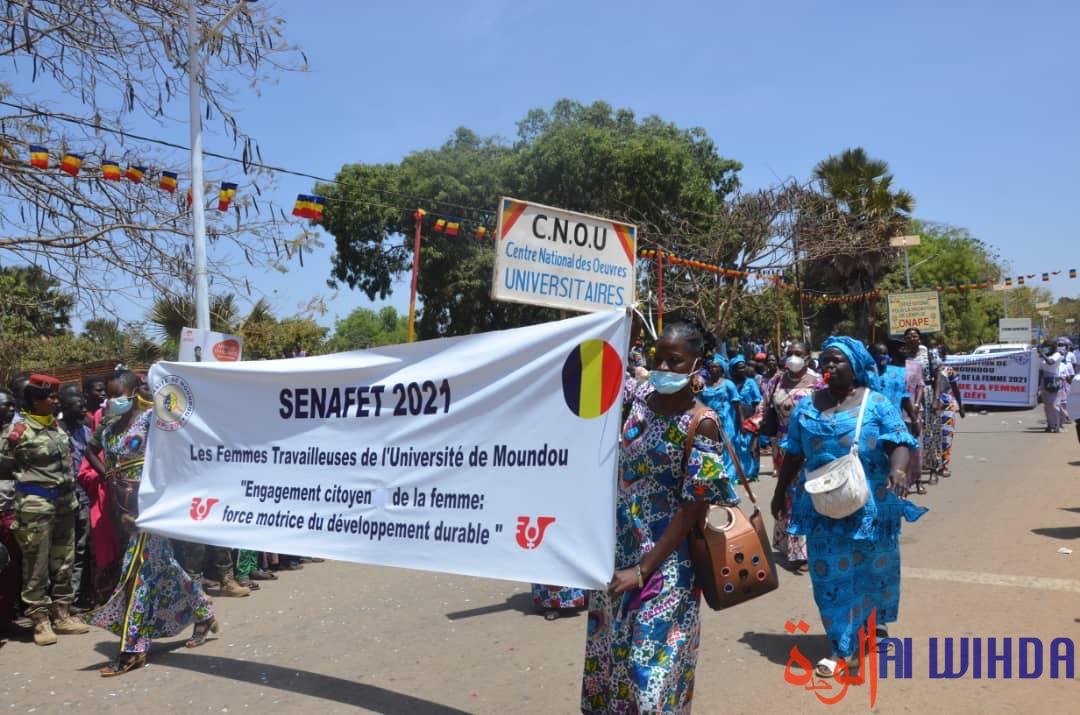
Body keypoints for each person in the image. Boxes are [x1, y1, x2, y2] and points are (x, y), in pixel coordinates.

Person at [582, 321, 738, 713]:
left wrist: (642, 570)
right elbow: (593, 377)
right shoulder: (638, 397)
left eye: (675, 360)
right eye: (659, 358)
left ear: (696, 364)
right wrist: (621, 330)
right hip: (617, 548)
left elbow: (693, 508)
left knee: (648, 675)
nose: (664, 367)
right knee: (612, 655)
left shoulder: (701, 424)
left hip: (668, 563)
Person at [771, 337, 926, 678]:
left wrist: (898, 469)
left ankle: (872, 625)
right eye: (824, 360)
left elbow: (899, 439)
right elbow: (794, 453)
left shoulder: (877, 404)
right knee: (829, 576)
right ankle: (842, 646)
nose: (828, 366)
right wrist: (780, 491)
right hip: (822, 506)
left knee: (873, 572)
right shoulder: (807, 407)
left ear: (855, 366)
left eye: (836, 360)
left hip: (870, 505)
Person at [85, 370, 217, 676]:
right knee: (164, 565)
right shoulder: (106, 424)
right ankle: (204, 612)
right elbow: (90, 450)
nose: (113, 400)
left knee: (137, 572)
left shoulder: (150, 421)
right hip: (120, 509)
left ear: (134, 394)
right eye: (110, 395)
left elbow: (177, 449)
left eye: (119, 395)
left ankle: (133, 649)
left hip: (149, 507)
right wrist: (107, 471)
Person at [0, 374, 89, 646]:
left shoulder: (57, 427)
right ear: (36, 401)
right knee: (36, 566)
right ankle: (39, 621)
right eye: (50, 397)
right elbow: (3, 465)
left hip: (64, 505)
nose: (54, 401)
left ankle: (61, 615)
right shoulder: (17, 432)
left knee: (63, 561)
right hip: (35, 508)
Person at [764, 342, 819, 572]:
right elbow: (765, 409)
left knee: (804, 494)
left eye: (799, 354)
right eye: (790, 354)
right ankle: (790, 546)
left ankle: (804, 550)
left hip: (809, 445)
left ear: (807, 358)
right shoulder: (776, 381)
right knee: (786, 492)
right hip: (781, 445)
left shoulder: (818, 383)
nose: (793, 357)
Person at [57, 387, 95, 611]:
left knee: (80, 549)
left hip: (82, 497)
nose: (83, 409)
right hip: (60, 501)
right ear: (64, 407)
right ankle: (58, 601)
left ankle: (73, 598)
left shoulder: (86, 431)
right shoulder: (55, 431)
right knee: (62, 552)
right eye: (77, 406)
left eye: (84, 405)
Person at [0, 388, 21, 637]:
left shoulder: (17, 435)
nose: (11, 409)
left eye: (13, 405)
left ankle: (6, 619)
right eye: (6, 405)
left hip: (10, 509)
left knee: (10, 567)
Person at [729, 354, 763, 481]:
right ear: (733, 369)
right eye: (739, 368)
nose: (742, 370)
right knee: (737, 444)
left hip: (749, 416)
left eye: (744, 367)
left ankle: (752, 473)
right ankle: (739, 473)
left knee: (750, 445)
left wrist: (755, 420)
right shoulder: (729, 383)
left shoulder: (750, 382)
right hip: (733, 417)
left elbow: (757, 401)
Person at [934, 346, 965, 477]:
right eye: (934, 354)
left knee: (946, 437)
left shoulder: (949, 371)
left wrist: (961, 405)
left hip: (947, 406)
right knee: (931, 437)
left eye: (939, 354)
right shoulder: (927, 371)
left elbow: (955, 389)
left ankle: (944, 465)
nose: (937, 356)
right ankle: (931, 465)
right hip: (931, 407)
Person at [1039, 342, 1074, 433]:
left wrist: (1042, 354)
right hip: (1045, 381)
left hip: (1053, 381)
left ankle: (1059, 425)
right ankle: (1050, 425)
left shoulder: (1057, 355)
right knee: (1047, 405)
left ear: (1052, 347)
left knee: (1054, 404)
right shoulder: (1044, 356)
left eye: (1047, 347)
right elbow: (1041, 371)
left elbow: (1050, 362)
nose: (1045, 349)